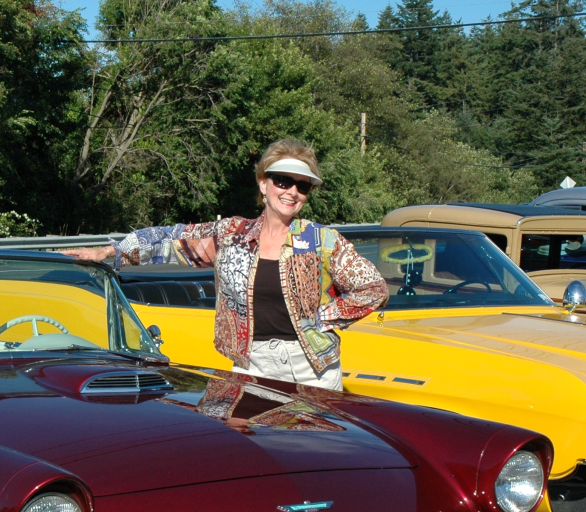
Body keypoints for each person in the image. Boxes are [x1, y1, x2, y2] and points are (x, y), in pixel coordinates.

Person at [63, 139, 387, 390]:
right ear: (264, 184)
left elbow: (373, 288)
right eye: (283, 181)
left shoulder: (322, 241)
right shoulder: (230, 235)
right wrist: (111, 251)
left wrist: (322, 319)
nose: (292, 191)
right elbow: (172, 241)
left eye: (302, 185)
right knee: (253, 461)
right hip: (252, 364)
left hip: (312, 368)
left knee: (311, 459)